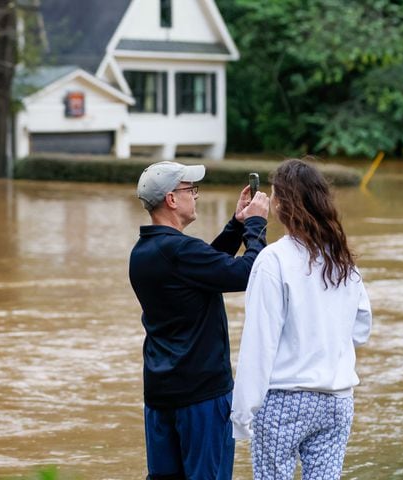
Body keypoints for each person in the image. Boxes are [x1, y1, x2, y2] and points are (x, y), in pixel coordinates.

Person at [230, 158, 372, 480]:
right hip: (337, 400)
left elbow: (259, 343)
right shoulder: (342, 260)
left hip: (285, 400)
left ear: (280, 205)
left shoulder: (273, 260)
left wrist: (242, 415)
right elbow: (361, 329)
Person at [129, 161, 269, 480]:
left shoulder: (145, 251)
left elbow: (205, 269)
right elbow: (249, 272)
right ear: (171, 199)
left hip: (160, 394)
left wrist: (236, 224)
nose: (196, 195)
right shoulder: (181, 251)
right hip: (202, 394)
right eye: (190, 189)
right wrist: (256, 225)